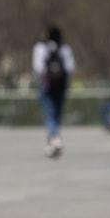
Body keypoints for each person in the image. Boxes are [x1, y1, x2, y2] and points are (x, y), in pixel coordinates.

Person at [32, 26, 75, 158]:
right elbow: (70, 68)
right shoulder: (65, 49)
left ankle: (54, 138)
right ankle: (54, 138)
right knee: (56, 114)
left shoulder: (40, 48)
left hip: (46, 86)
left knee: (49, 113)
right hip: (61, 86)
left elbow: (38, 68)